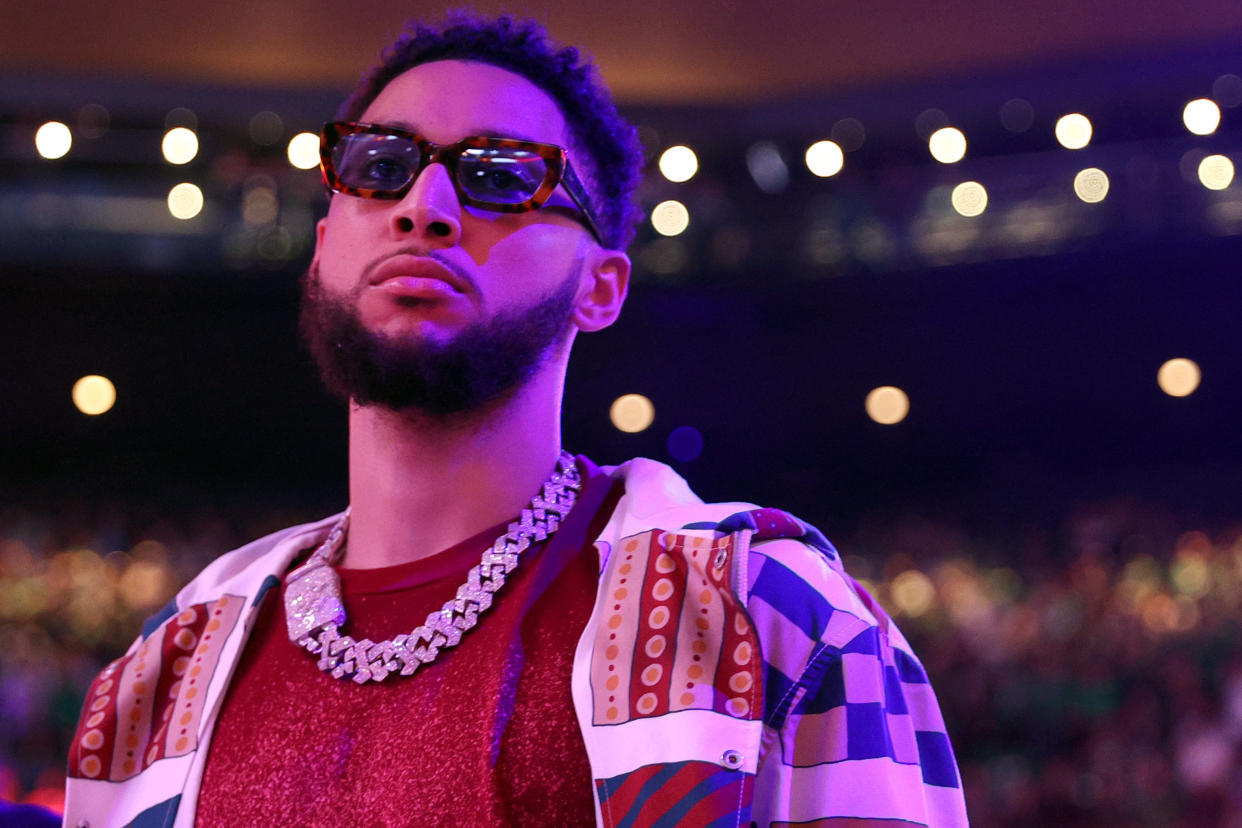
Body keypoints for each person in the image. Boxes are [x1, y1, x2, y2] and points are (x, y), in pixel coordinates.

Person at [62, 13, 968, 827]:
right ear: (322, 248)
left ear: (601, 287)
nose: (426, 208)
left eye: (500, 179)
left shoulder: (774, 615)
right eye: (380, 167)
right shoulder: (168, 670)